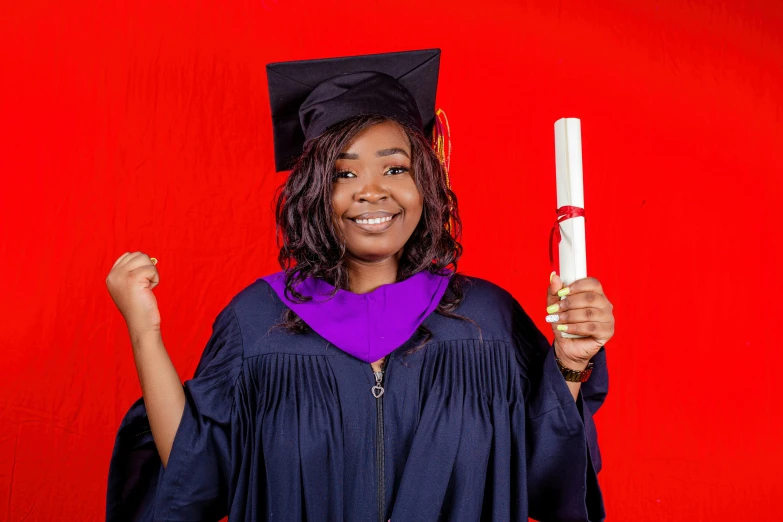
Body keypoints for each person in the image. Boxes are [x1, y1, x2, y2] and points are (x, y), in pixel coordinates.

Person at [105, 49, 614, 522]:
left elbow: (547, 481)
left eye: (395, 167)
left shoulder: (488, 320)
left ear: (426, 183)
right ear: (312, 193)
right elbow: (195, 477)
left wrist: (570, 362)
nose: (372, 190)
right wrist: (145, 332)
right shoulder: (256, 321)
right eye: (343, 174)